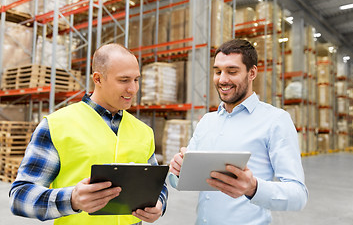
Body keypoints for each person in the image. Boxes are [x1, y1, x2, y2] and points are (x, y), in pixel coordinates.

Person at [9, 43, 168, 225]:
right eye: (124, 80)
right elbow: (19, 197)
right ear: (98, 79)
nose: (133, 89)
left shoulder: (143, 131)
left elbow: (157, 185)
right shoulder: (56, 125)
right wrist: (72, 200)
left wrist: (159, 204)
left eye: (136, 80)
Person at [169, 39, 308, 225]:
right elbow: (181, 181)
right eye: (218, 71)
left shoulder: (275, 120)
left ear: (252, 73)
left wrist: (253, 188)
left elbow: (298, 195)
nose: (223, 79)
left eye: (232, 71)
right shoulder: (207, 122)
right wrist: (177, 171)